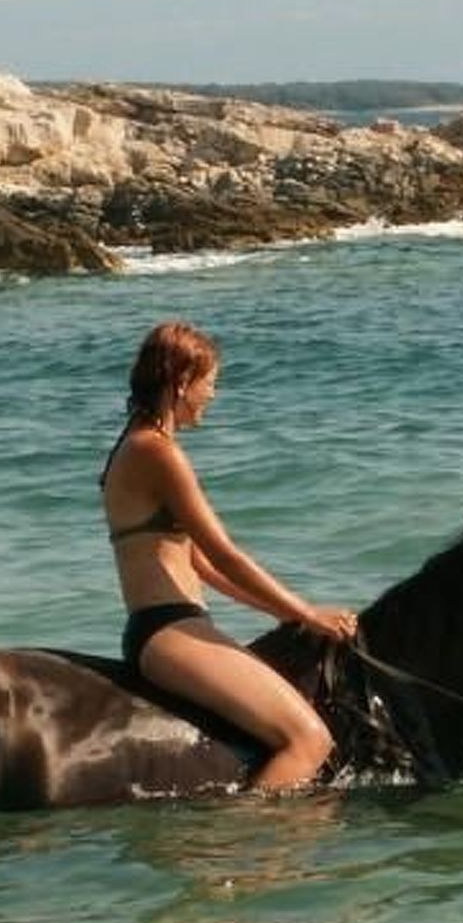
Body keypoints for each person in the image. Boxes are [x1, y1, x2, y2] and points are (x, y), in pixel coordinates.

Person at [101, 320, 360, 791]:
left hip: (170, 628)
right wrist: (307, 613)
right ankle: (246, 835)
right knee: (309, 740)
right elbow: (225, 554)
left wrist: (286, 617)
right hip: (168, 630)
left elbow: (200, 565)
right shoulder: (157, 452)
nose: (213, 395)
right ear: (182, 382)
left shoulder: (136, 444)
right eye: (210, 383)